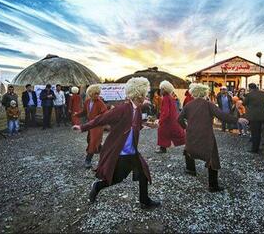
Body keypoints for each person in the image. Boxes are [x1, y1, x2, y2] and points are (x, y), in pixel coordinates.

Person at [73, 77, 161, 209]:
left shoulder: (137, 109)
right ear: (138, 94)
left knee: (143, 173)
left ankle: (144, 200)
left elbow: (135, 125)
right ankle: (97, 186)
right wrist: (82, 127)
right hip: (120, 152)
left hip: (132, 151)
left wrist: (149, 124)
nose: (146, 97)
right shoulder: (122, 109)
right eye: (144, 94)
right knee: (116, 179)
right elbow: (101, 119)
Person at [178, 83, 248, 192]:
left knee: (189, 149)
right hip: (206, 134)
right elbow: (221, 115)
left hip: (191, 133)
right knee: (212, 157)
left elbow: (179, 119)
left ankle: (191, 169)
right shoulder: (208, 104)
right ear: (204, 93)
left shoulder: (188, 105)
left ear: (193, 93)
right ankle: (213, 185)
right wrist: (237, 120)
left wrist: (186, 128)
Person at [75, 84, 107, 168]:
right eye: (95, 94)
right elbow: (84, 111)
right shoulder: (87, 102)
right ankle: (106, 153)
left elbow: (105, 113)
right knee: (90, 140)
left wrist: (98, 117)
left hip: (98, 125)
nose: (97, 95)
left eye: (98, 93)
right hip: (90, 125)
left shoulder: (100, 103)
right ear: (90, 94)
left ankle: (88, 160)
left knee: (93, 142)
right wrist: (77, 115)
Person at [156, 80, 185, 153]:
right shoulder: (170, 97)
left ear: (164, 90)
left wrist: (161, 120)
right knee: (174, 133)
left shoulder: (165, 98)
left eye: (161, 89)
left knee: (162, 132)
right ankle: (163, 148)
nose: (160, 91)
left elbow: (165, 111)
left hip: (167, 120)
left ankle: (163, 148)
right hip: (172, 119)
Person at [243, 83, 264, 153]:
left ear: (250, 88)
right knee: (259, 132)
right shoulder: (263, 93)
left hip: (254, 117)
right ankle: (258, 147)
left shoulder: (249, 95)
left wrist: (243, 97)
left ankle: (254, 149)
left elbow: (244, 103)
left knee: (254, 133)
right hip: (262, 115)